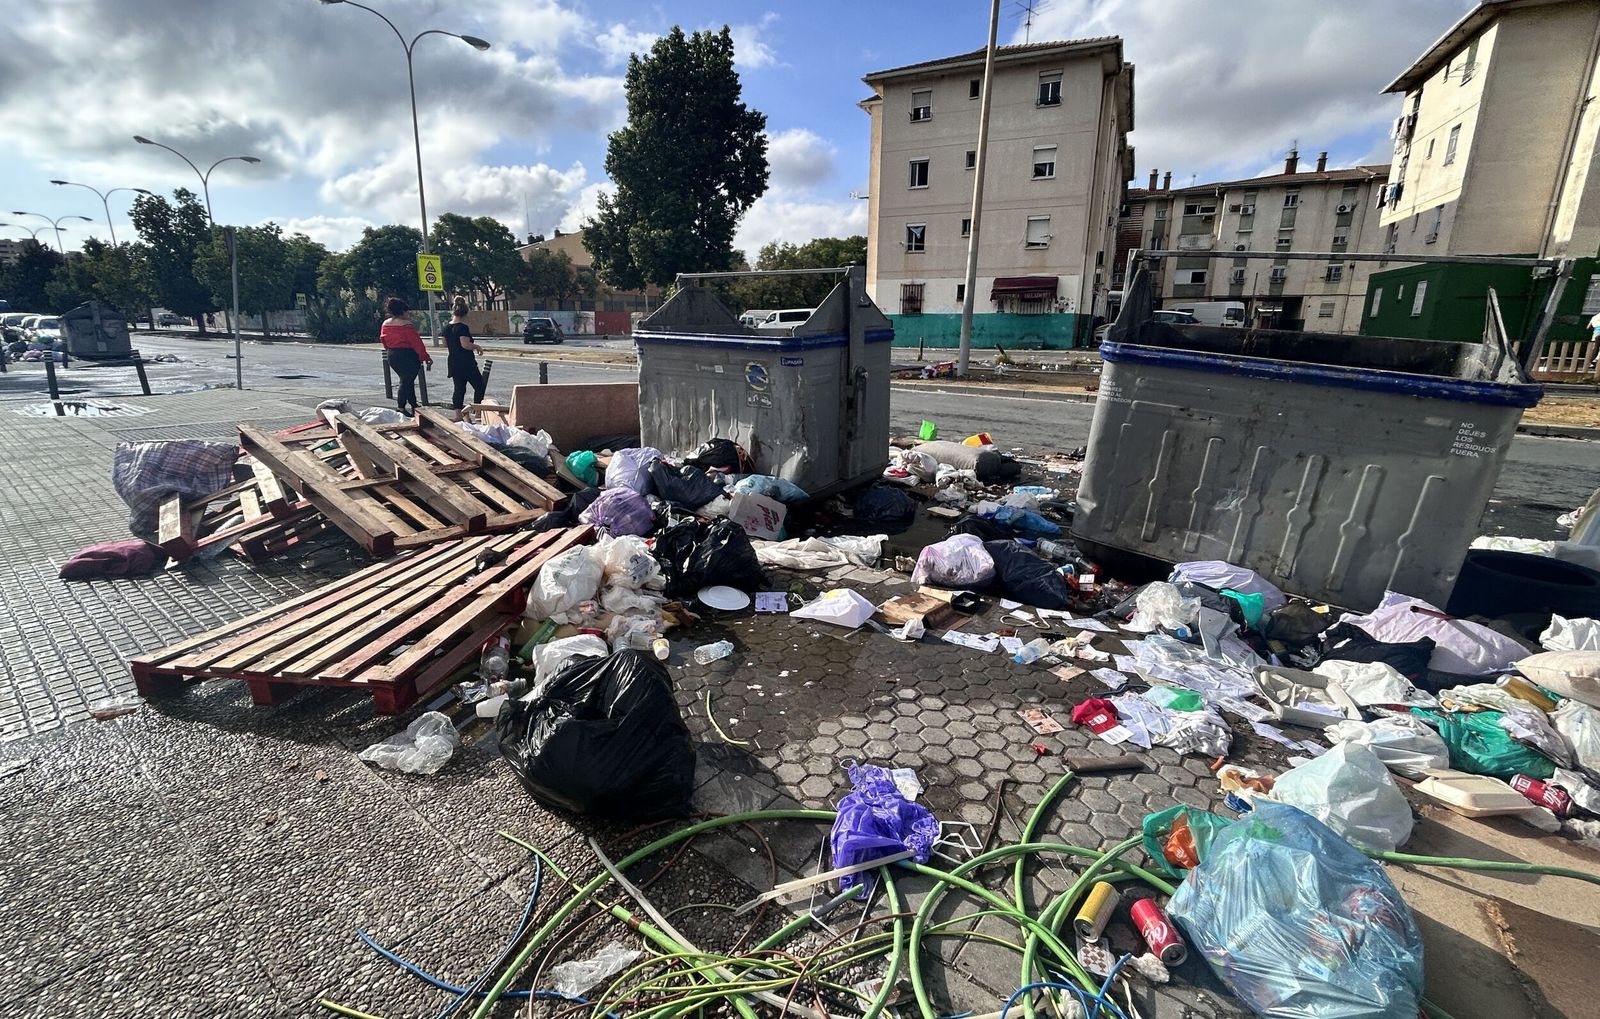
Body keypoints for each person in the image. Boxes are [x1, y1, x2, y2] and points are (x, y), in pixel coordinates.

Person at [379, 296, 432, 415]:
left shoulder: (385, 324)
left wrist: (390, 349)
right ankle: (401, 407)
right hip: (407, 355)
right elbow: (416, 343)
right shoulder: (406, 325)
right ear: (402, 311)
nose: (408, 314)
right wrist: (425, 357)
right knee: (406, 381)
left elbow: (383, 340)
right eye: (406, 311)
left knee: (407, 380)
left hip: (392, 354)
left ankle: (413, 404)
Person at [442, 295, 486, 411]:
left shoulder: (446, 327)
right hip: (466, 361)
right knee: (479, 386)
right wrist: (477, 346)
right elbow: (465, 344)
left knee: (459, 388)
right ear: (465, 313)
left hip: (453, 361)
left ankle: (458, 414)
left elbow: (445, 344)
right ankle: (477, 412)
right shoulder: (462, 327)